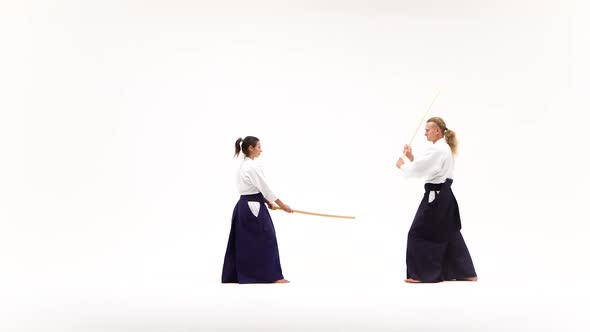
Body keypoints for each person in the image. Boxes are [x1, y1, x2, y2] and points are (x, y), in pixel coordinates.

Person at [396, 117, 477, 283]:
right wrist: (412, 157)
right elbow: (429, 166)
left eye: (427, 130)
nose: (425, 133)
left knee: (417, 233)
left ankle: (420, 274)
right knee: (450, 232)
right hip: (445, 196)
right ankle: (466, 272)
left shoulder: (438, 150)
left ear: (437, 131)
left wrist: (402, 165)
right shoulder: (441, 148)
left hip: (436, 197)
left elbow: (421, 169)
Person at [222, 136, 292, 284]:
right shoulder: (250, 167)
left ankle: (246, 275)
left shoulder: (245, 166)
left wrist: (267, 202)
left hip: (246, 206)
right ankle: (272, 276)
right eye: (259, 147)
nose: (261, 150)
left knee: (247, 242)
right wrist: (282, 205)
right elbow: (265, 188)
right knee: (267, 239)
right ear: (250, 148)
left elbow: (255, 188)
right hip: (252, 207)